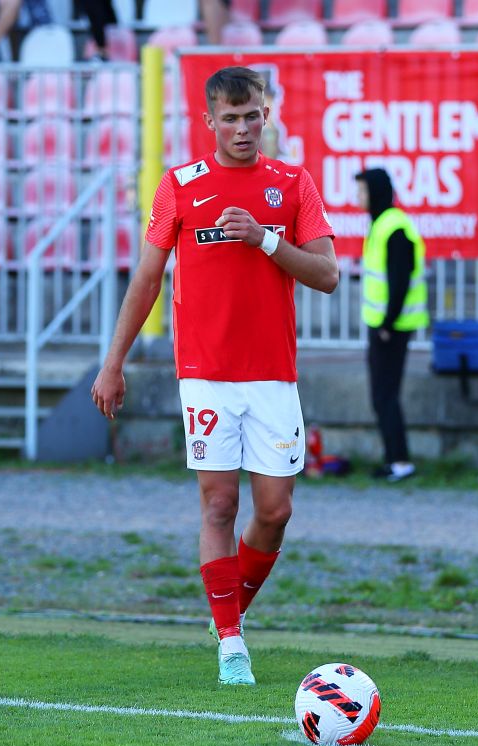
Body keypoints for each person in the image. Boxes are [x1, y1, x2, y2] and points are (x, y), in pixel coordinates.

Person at [90, 66, 338, 686]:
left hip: (272, 373)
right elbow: (147, 279)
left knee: (275, 511)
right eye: (230, 118)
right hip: (205, 373)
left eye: (252, 115)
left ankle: (229, 611)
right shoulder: (179, 186)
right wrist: (113, 362)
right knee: (219, 503)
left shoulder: (293, 183)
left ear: (266, 114)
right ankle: (231, 643)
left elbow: (328, 274)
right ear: (210, 122)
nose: (243, 128)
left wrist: (264, 240)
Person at [355, 167, 428, 483]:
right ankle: (394, 459)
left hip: (392, 327)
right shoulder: (381, 223)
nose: (358, 197)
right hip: (384, 324)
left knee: (385, 394)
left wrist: (388, 323)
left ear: (376, 192)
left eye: (362, 191)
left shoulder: (394, 227)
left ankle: (399, 461)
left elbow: (400, 279)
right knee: (382, 394)